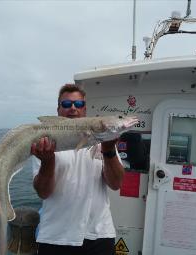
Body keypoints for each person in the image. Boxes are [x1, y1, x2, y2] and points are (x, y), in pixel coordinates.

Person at [31, 84, 124, 255]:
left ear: (85, 109)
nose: (73, 108)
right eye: (66, 104)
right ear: (58, 109)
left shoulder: (103, 140)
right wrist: (48, 161)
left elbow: (116, 183)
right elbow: (43, 192)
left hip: (99, 234)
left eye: (78, 104)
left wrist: (109, 151)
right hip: (55, 236)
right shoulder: (46, 142)